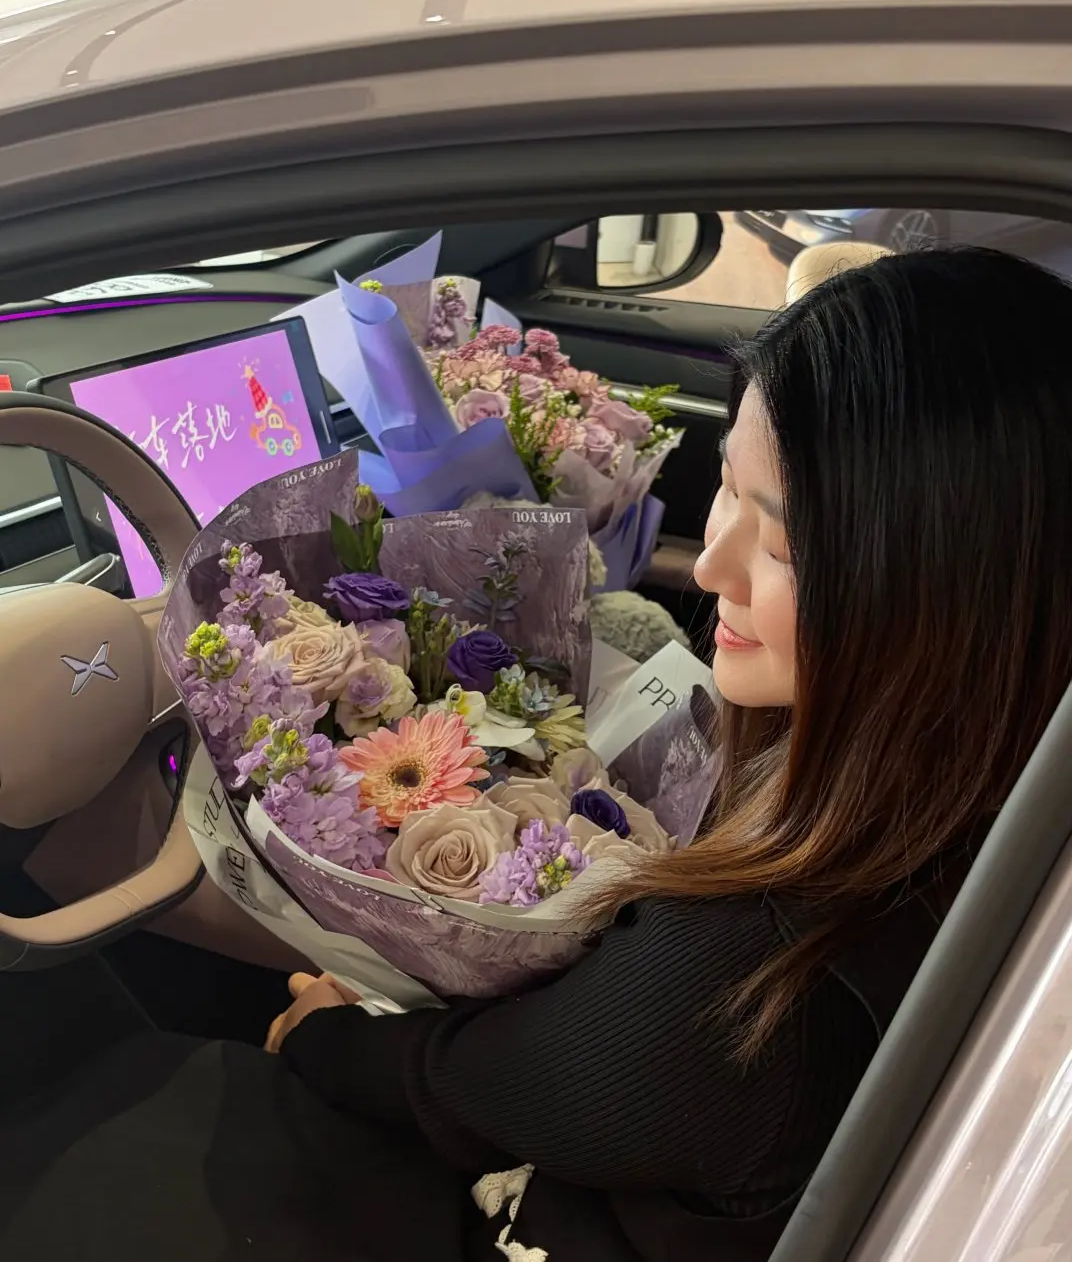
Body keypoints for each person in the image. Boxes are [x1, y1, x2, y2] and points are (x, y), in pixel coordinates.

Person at [3, 246, 1071, 1262]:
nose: (715, 566)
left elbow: (490, 1088)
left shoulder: (763, 978)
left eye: (782, 541)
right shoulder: (978, 808)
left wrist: (326, 1039)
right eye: (727, 490)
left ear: (942, 599)